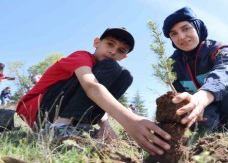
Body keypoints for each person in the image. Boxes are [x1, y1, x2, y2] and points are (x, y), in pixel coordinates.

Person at [16, 27, 170, 155]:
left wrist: (105, 126)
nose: (113, 51)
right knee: (110, 68)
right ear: (97, 42)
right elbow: (91, 86)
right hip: (38, 110)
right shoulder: (82, 56)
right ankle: (59, 128)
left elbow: (98, 95)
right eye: (110, 44)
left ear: (123, 57)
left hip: (57, 109)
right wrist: (129, 120)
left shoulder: (109, 69)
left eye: (120, 50)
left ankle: (76, 127)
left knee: (125, 76)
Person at [162, 7, 228, 132]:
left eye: (186, 28)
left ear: (197, 27)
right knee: (202, 128)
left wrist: (205, 93)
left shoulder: (219, 49)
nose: (181, 37)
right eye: (174, 34)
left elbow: (226, 69)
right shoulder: (173, 64)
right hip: (206, 105)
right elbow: (180, 94)